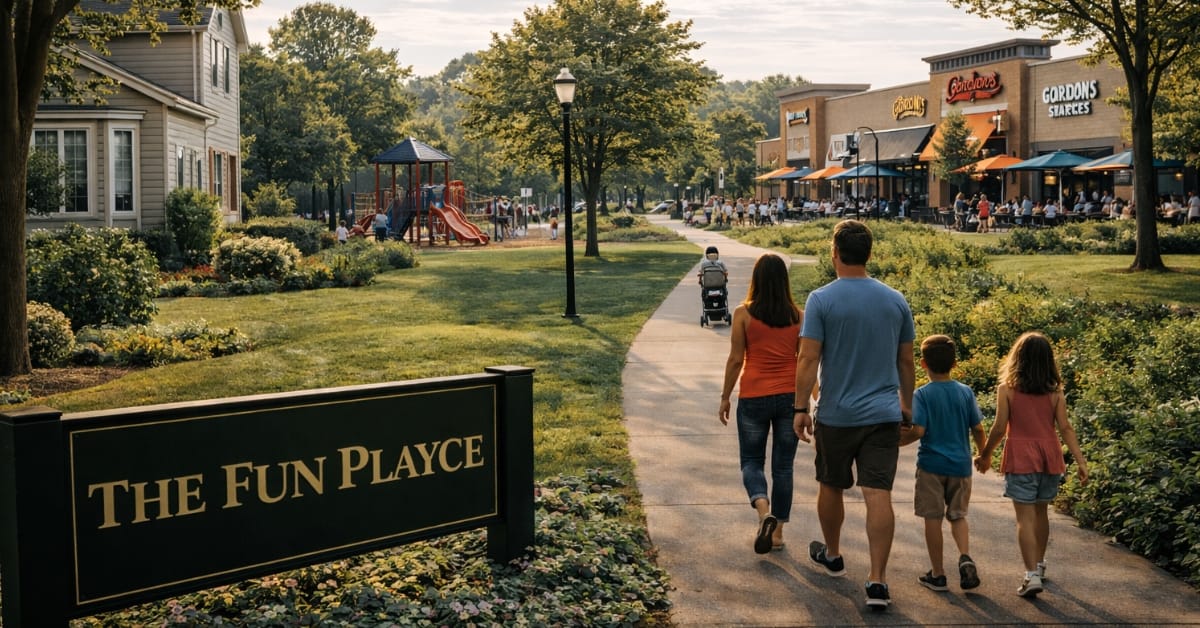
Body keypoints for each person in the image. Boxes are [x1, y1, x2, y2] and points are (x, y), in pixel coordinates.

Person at [793, 219, 915, 610]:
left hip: (837, 413)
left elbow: (808, 357)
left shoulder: (821, 300)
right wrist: (906, 405)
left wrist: (800, 407)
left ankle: (833, 554)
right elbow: (907, 361)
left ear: (834, 253)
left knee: (831, 485)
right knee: (878, 493)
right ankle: (877, 580)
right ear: (870, 254)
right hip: (883, 414)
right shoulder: (895, 300)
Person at [975, 331, 1089, 599]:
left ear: (1018, 358)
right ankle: (1039, 564)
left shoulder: (1007, 390)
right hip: (1049, 457)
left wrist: (985, 455)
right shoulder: (1056, 392)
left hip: (1022, 457)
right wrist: (1081, 462)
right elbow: (1066, 428)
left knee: (1024, 518)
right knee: (1041, 513)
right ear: (1048, 361)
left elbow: (1000, 427)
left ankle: (1031, 575)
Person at [719, 253, 804, 554]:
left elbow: (735, 359)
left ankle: (763, 511)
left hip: (754, 395)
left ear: (756, 279)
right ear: (784, 281)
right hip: (789, 397)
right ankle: (777, 533)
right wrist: (808, 404)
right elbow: (804, 362)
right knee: (783, 467)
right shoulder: (798, 316)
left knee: (751, 462)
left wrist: (725, 397)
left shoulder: (743, 313)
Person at [899, 335, 986, 592]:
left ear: (923, 364)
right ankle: (964, 556)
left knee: (933, 519)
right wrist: (984, 455)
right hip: (960, 467)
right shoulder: (965, 392)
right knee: (958, 516)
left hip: (931, 467)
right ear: (955, 363)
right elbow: (978, 428)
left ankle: (937, 574)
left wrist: (895, 444)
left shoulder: (922, 395)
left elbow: (918, 431)